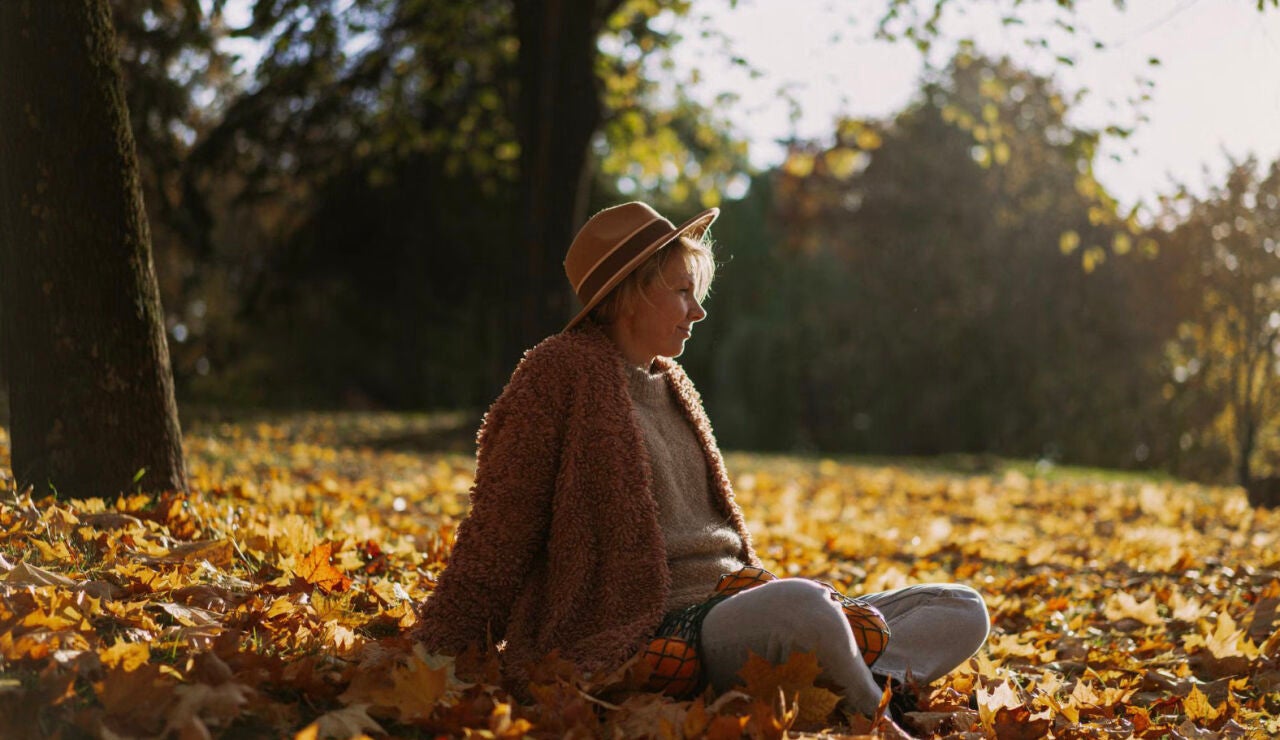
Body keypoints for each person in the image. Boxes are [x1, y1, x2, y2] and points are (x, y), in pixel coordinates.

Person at [415, 201, 989, 728]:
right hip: (649, 628)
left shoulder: (674, 383)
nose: (699, 310)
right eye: (683, 291)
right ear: (629, 295)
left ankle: (827, 680)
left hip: (739, 604)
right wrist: (430, 652)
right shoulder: (558, 374)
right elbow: (498, 533)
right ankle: (872, 717)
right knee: (802, 608)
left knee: (961, 608)